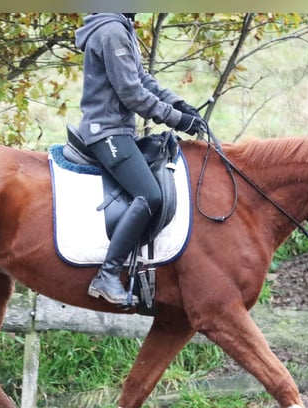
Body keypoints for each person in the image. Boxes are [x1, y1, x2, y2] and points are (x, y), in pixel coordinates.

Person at [76, 13, 206, 307]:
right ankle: (107, 275)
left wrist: (178, 104)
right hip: (106, 132)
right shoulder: (111, 30)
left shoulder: (120, 26)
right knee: (149, 194)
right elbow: (132, 93)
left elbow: (141, 79)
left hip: (117, 129)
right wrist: (177, 120)